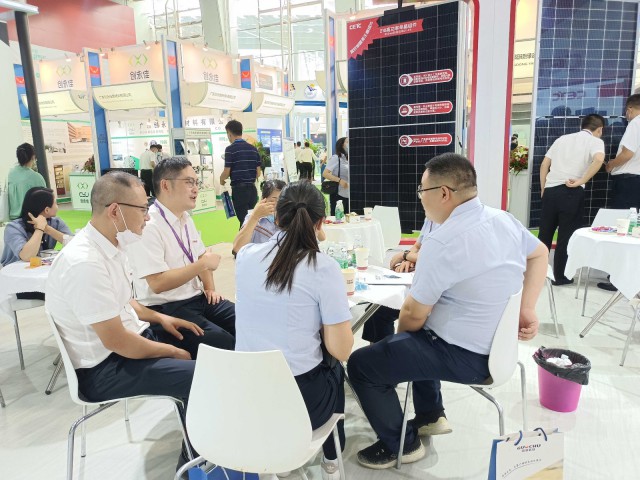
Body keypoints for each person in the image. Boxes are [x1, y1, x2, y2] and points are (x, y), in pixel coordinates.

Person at [347, 153, 547, 470]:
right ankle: (430, 414)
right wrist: (528, 308)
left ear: (443, 193)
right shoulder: (503, 220)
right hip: (500, 349)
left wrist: (397, 348)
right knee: (417, 337)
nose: (420, 198)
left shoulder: (443, 242)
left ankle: (402, 445)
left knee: (362, 364)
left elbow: (413, 315)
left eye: (422, 191)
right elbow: (540, 253)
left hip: (465, 356)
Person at [45, 171, 201, 468]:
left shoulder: (112, 246)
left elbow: (124, 302)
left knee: (203, 341)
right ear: (115, 211)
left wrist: (160, 318)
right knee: (200, 374)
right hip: (103, 368)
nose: (148, 217)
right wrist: (171, 351)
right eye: (142, 209)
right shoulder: (85, 263)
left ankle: (206, 438)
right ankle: (193, 464)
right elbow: (117, 341)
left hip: (128, 343)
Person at [235, 182, 353, 480]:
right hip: (299, 402)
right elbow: (341, 349)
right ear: (320, 222)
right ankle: (331, 459)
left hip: (246, 394)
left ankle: (280, 457)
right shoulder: (323, 267)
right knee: (335, 368)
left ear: (276, 218)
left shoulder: (246, 256)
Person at [126, 157, 236, 355]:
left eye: (196, 182)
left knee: (245, 320)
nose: (196, 189)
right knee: (222, 342)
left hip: (198, 298)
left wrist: (210, 288)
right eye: (189, 182)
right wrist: (202, 265)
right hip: (166, 306)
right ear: (165, 185)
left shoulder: (185, 218)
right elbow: (157, 283)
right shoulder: (149, 226)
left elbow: (201, 255)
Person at [538, 114, 606, 286]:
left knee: (544, 234)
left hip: (551, 191)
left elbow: (544, 164)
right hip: (571, 192)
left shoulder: (562, 139)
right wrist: (582, 180)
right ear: (599, 129)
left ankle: (536, 274)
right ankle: (560, 277)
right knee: (565, 236)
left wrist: (543, 188)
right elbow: (599, 159)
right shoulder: (595, 141)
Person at [361, 219, 440, 344]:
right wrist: (409, 260)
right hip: (417, 275)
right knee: (376, 307)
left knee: (381, 310)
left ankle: (385, 351)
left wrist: (405, 256)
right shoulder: (431, 218)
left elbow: (434, 257)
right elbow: (417, 246)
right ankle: (379, 350)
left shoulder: (449, 223)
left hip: (433, 289)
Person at [1, 187, 72, 300]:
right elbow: (27, 256)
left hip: (43, 274)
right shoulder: (14, 228)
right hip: (18, 280)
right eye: (55, 203)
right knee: (63, 291)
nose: (57, 206)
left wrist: (47, 229)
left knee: (72, 284)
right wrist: (39, 229)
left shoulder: (55, 222)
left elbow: (74, 244)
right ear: (47, 210)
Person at [219, 120, 262, 227]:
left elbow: (226, 172)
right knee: (251, 221)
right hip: (252, 190)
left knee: (244, 223)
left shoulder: (230, 149)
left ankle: (244, 238)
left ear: (229, 133)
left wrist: (221, 179)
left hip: (239, 191)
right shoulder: (253, 149)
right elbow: (258, 173)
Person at [605, 93, 640, 208]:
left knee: (622, 217)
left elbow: (627, 154)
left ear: (629, 109)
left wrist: (611, 165)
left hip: (629, 182)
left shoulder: (636, 122)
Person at [232, 179, 286, 254]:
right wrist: (255, 217)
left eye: (283, 201)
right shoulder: (254, 218)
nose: (278, 205)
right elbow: (237, 248)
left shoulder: (290, 218)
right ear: (263, 200)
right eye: (273, 201)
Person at [8, 143, 46, 220]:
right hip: (31, 220)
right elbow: (46, 200)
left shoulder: (10, 174)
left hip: (13, 221)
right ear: (33, 157)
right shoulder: (36, 177)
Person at [323, 137, 350, 215]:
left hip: (349, 194)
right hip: (338, 194)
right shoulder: (336, 158)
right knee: (337, 218)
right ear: (342, 145)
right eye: (347, 142)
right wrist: (339, 180)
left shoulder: (348, 159)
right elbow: (325, 173)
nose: (349, 144)